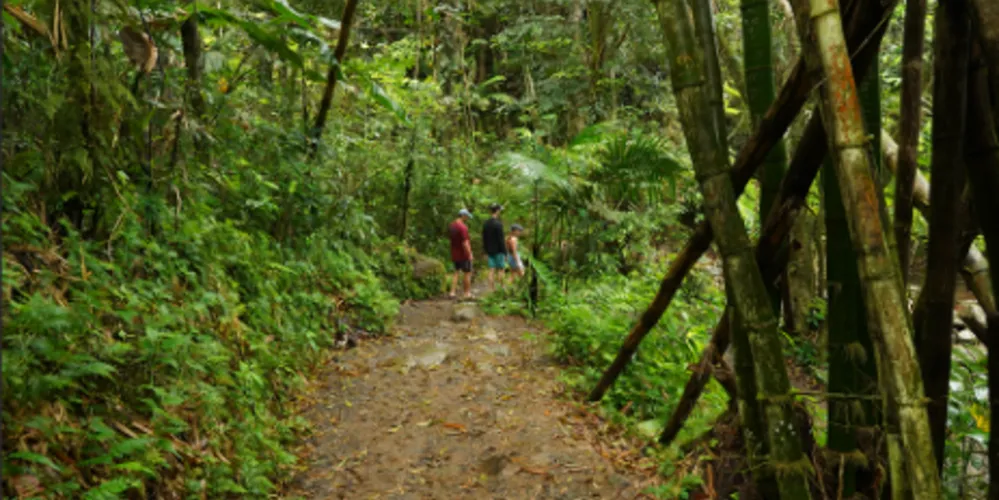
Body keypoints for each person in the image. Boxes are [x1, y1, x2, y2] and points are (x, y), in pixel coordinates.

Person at [449, 208, 474, 299]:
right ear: (463, 215)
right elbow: (465, 242)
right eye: (467, 216)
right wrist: (469, 254)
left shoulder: (452, 225)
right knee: (467, 272)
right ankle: (467, 293)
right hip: (463, 254)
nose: (467, 218)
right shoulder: (463, 227)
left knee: (456, 272)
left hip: (454, 253)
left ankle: (452, 292)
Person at [482, 203, 507, 290]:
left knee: (491, 270)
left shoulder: (486, 224)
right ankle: (502, 288)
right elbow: (501, 240)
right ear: (497, 211)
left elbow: (484, 238)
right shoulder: (498, 224)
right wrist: (505, 252)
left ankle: (491, 289)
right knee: (501, 269)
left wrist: (485, 251)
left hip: (489, 251)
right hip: (499, 251)